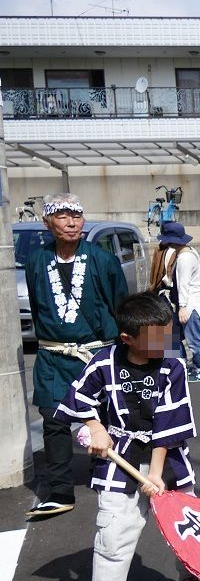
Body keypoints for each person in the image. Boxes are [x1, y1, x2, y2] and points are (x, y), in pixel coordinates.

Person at [54, 292, 200, 581]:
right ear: (128, 339)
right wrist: (95, 426)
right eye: (157, 337)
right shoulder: (103, 362)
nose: (166, 343)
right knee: (113, 537)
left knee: (186, 530)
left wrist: (155, 474)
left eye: (168, 334)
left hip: (165, 463)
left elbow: (171, 422)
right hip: (118, 462)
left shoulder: (173, 367)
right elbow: (81, 399)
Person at [25, 192, 128, 519]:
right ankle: (59, 491)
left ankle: (109, 471)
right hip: (54, 355)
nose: (71, 223)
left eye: (77, 216)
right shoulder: (37, 261)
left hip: (97, 352)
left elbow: (121, 305)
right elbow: (38, 305)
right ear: (47, 222)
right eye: (62, 216)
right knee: (53, 419)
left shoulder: (102, 260)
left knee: (108, 417)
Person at [149, 221, 200, 383]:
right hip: (192, 303)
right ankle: (187, 367)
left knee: (194, 340)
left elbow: (184, 284)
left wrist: (182, 307)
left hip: (190, 306)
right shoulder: (190, 252)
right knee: (178, 337)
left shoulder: (184, 258)